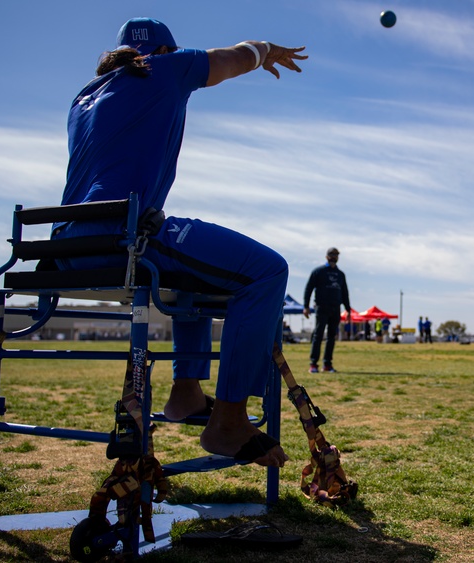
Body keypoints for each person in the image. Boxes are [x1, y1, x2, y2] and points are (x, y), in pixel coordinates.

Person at [51, 18, 307, 468]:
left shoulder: (84, 96)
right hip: (121, 237)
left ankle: (186, 395)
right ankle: (228, 422)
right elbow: (232, 58)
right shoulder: (164, 69)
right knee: (266, 271)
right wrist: (266, 48)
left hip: (66, 244)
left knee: (192, 280)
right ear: (165, 51)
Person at [303, 247, 351, 373]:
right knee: (318, 335)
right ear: (327, 256)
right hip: (321, 307)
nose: (334, 256)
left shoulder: (340, 275)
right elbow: (309, 289)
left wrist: (348, 310)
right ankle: (313, 364)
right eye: (332, 254)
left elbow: (345, 293)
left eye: (336, 254)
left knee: (331, 337)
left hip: (335, 308)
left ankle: (327, 364)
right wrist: (306, 306)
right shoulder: (319, 272)